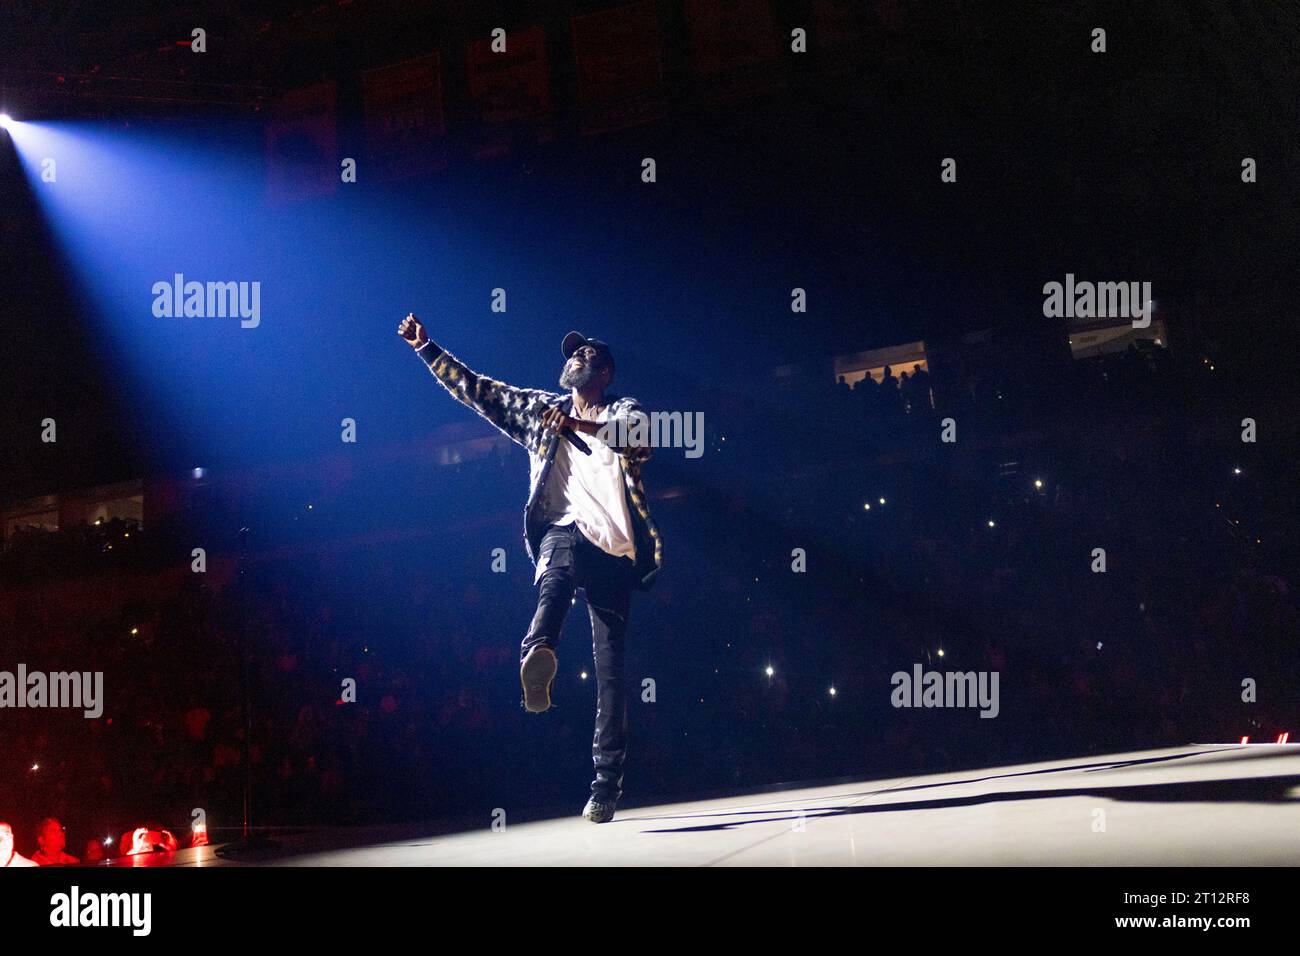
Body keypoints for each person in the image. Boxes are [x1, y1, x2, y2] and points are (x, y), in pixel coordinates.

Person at [398, 315, 663, 823]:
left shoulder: (622, 409)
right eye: (573, 353)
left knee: (611, 671)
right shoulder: (541, 410)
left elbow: (641, 438)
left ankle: (606, 785)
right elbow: (481, 392)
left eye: (586, 354)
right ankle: (538, 651)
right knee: (556, 570)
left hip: (615, 547)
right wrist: (427, 348)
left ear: (605, 373)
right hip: (565, 527)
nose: (575, 357)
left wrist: (580, 427)